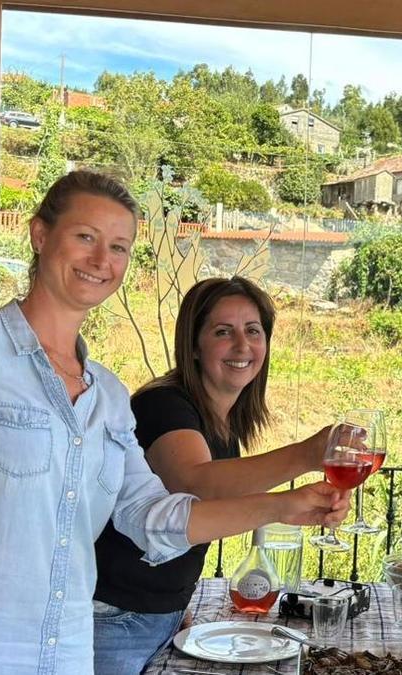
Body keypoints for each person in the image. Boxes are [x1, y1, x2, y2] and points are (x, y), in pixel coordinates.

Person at [0, 171, 350, 675]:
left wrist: (286, 506)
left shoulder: (107, 396)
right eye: (85, 237)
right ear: (40, 235)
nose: (101, 261)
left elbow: (157, 519)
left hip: (67, 650)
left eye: (118, 247)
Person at [92, 276, 332, 674]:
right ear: (194, 346)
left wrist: (173, 607)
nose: (243, 345)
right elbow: (196, 488)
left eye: (253, 331)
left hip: (153, 616)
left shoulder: (221, 422)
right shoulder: (164, 404)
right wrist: (307, 456)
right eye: (224, 332)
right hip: (114, 617)